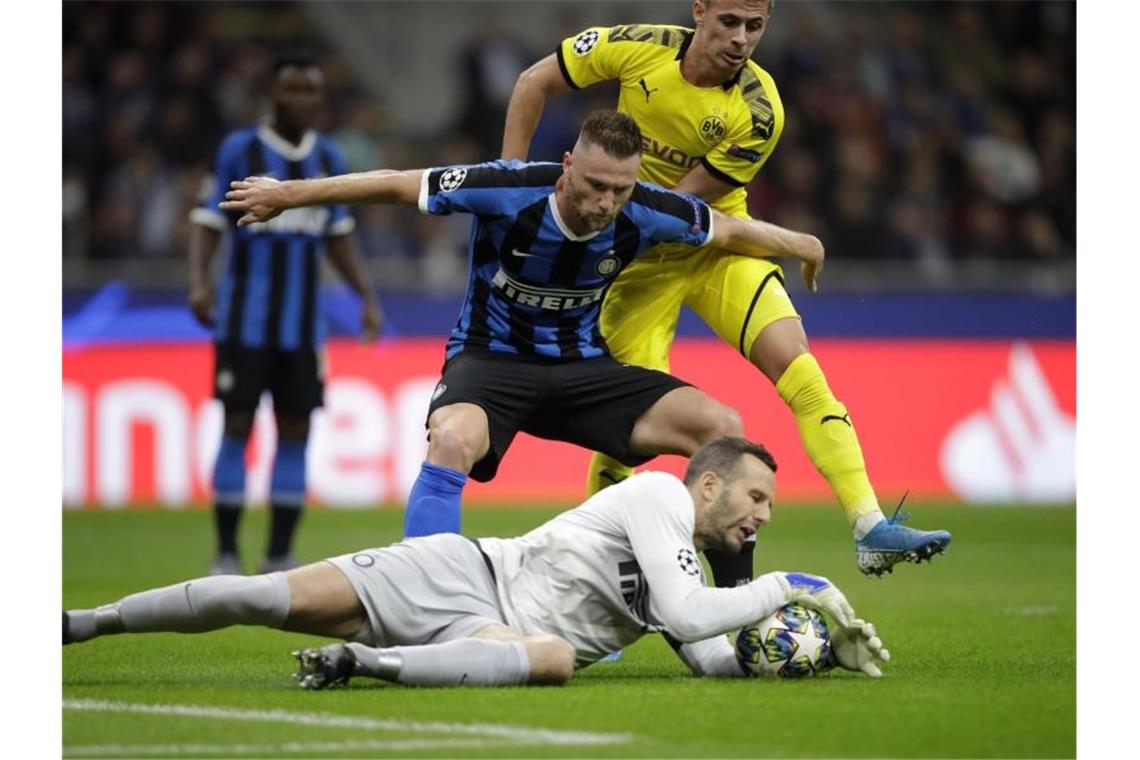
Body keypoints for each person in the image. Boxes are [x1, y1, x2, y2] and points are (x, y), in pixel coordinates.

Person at [220, 109, 824, 590]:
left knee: (721, 430)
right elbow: (397, 185)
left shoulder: (645, 208)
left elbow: (729, 229)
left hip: (582, 370)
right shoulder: (506, 188)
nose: (606, 203)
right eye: (594, 186)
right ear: (566, 167)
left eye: (619, 189)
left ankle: (730, 606)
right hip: (490, 363)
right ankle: (421, 601)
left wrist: (799, 241)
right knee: (452, 439)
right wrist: (287, 194)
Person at [500, 0, 951, 577]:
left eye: (754, 27)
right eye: (729, 23)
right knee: (622, 437)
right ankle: (598, 578)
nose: (741, 39)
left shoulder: (759, 110)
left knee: (801, 369)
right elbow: (532, 81)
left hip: (715, 245)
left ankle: (870, 526)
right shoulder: (637, 46)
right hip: (639, 264)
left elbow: (678, 207)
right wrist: (508, 180)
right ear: (700, 13)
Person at [63, 436, 889, 687]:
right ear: (707, 484)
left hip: (494, 632)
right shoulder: (657, 497)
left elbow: (704, 646)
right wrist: (800, 589)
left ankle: (364, 663)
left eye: (771, 509)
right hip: (467, 574)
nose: (764, 516)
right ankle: (82, 623)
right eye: (756, 499)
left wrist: (785, 653)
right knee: (261, 595)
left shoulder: (684, 560)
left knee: (556, 659)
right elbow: (683, 614)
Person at [188, 52, 383, 576]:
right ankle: (226, 553)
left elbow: (339, 235)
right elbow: (208, 220)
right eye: (292, 89)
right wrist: (199, 281)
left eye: (311, 91)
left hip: (302, 330)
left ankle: (278, 554)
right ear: (271, 95)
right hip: (243, 322)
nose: (302, 99)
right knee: (237, 423)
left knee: (296, 429)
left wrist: (366, 297)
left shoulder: (329, 157)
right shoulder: (239, 149)